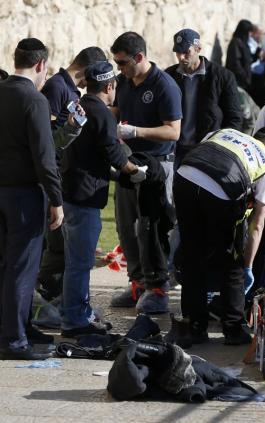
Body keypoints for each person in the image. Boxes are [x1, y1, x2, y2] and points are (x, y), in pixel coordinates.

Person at [172, 128, 265, 346]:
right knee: (232, 262)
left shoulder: (225, 132)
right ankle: (233, 328)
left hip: (184, 177)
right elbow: (257, 225)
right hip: (221, 189)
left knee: (193, 256)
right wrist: (247, 266)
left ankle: (195, 326)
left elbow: (202, 151)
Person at [59, 61, 144, 337]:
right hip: (84, 198)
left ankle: (78, 312)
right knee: (80, 263)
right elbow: (114, 153)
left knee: (75, 260)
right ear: (110, 86)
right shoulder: (103, 114)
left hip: (71, 192)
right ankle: (74, 320)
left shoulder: (80, 106)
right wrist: (135, 171)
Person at [108, 32, 182, 313]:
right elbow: (116, 110)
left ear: (139, 57)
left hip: (156, 165)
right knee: (127, 226)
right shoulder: (125, 82)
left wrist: (137, 131)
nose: (120, 68)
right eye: (116, 62)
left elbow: (173, 130)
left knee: (153, 227)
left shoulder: (164, 86)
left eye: (123, 62)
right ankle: (137, 281)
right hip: (128, 163)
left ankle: (158, 287)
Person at [0, 38, 63, 360]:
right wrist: (56, 199)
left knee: (6, 266)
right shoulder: (33, 100)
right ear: (40, 65)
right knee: (22, 268)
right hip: (24, 195)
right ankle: (13, 339)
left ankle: (18, 326)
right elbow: (44, 156)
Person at [38, 46, 107, 299]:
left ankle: (55, 299)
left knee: (62, 247)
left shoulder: (69, 90)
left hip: (62, 176)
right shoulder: (57, 88)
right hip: (52, 177)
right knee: (55, 247)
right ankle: (45, 299)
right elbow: (46, 139)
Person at [165, 29, 242, 164]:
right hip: (174, 151)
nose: (181, 57)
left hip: (209, 153)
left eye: (186, 52)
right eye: (178, 52)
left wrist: (222, 149)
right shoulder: (169, 76)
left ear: (198, 48)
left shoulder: (223, 77)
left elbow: (234, 118)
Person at [226, 20, 254, 92]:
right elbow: (235, 64)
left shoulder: (244, 43)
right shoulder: (236, 43)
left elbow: (246, 60)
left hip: (243, 82)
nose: (250, 34)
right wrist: (245, 78)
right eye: (249, 32)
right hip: (237, 82)